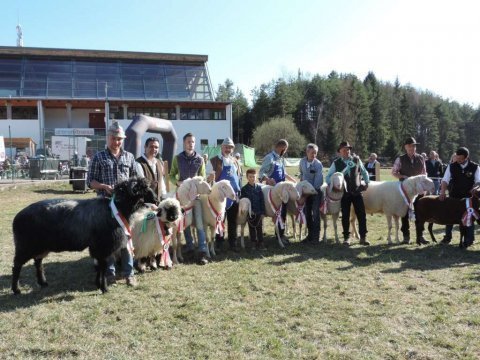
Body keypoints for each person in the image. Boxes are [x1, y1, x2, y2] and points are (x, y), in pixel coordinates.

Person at [87, 122, 138, 287]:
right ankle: (110, 274)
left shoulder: (129, 157)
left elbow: (135, 180)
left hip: (124, 208)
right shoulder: (98, 157)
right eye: (114, 138)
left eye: (120, 139)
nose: (117, 142)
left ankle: (129, 273)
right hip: (105, 206)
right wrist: (103, 186)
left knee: (126, 239)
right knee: (108, 241)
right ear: (108, 138)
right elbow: (90, 182)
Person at [169, 133, 209, 265]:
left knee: (199, 222)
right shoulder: (177, 158)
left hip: (196, 197)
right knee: (184, 223)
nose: (190, 144)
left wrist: (198, 187)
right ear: (184, 143)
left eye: (192, 142)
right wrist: (177, 182)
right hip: (182, 197)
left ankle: (202, 250)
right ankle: (190, 248)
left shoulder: (200, 159)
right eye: (188, 142)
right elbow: (171, 175)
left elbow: (202, 177)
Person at [326, 141, 370, 246]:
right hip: (344, 193)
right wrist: (333, 184)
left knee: (362, 215)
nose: (347, 151)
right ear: (340, 152)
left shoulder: (356, 160)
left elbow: (364, 172)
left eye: (348, 149)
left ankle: (363, 237)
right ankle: (346, 238)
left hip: (357, 190)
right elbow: (328, 177)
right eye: (344, 150)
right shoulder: (336, 163)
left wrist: (367, 182)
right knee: (345, 215)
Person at [438, 147, 480, 248]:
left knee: (469, 218)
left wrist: (475, 188)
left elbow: (478, 181)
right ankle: (447, 237)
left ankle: (469, 239)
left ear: (467, 157)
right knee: (449, 217)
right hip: (454, 197)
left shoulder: (475, 167)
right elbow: (445, 180)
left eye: (461, 158)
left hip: (468, 199)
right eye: (457, 157)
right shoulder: (451, 166)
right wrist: (442, 192)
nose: (458, 160)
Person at [258, 139, 297, 244]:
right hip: (272, 192)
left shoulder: (281, 159)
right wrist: (268, 179)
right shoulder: (269, 158)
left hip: (283, 192)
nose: (285, 151)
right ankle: (277, 235)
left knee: (283, 213)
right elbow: (261, 174)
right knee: (277, 213)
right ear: (281, 148)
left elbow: (284, 174)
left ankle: (281, 234)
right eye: (285, 149)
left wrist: (294, 181)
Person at [391, 137, 427, 244]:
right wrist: (403, 176)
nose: (412, 148)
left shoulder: (421, 158)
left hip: (419, 190)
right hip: (405, 191)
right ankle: (406, 237)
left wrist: (424, 186)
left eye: (414, 146)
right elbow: (394, 172)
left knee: (421, 213)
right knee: (405, 214)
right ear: (405, 147)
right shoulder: (400, 159)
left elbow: (425, 173)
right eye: (410, 146)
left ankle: (420, 236)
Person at [209, 137, 242, 252]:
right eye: (226, 147)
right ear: (221, 147)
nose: (228, 149)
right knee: (219, 220)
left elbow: (239, 177)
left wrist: (240, 191)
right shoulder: (215, 160)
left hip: (234, 196)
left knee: (233, 221)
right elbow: (210, 178)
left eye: (230, 147)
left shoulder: (235, 161)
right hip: (220, 197)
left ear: (233, 149)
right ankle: (219, 243)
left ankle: (233, 243)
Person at [298, 143, 324, 244]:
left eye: (315, 153)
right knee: (307, 213)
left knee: (315, 214)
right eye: (312, 153)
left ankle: (316, 238)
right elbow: (301, 173)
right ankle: (310, 236)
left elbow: (318, 182)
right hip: (305, 193)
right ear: (307, 152)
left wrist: (307, 193)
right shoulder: (302, 162)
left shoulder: (318, 164)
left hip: (316, 192)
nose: (314, 155)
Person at [241, 168, 266, 250]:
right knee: (251, 228)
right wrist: (248, 210)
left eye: (253, 177)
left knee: (259, 228)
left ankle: (261, 242)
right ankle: (253, 242)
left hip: (258, 212)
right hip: (250, 213)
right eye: (250, 177)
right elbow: (244, 202)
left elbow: (262, 201)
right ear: (247, 177)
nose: (252, 178)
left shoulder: (259, 188)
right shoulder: (244, 189)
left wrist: (263, 212)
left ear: (256, 177)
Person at [135, 137, 166, 201]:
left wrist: (165, 198)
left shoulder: (159, 163)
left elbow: (162, 183)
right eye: (151, 146)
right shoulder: (138, 163)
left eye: (156, 147)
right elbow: (142, 186)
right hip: (145, 203)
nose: (154, 149)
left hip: (158, 202)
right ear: (145, 147)